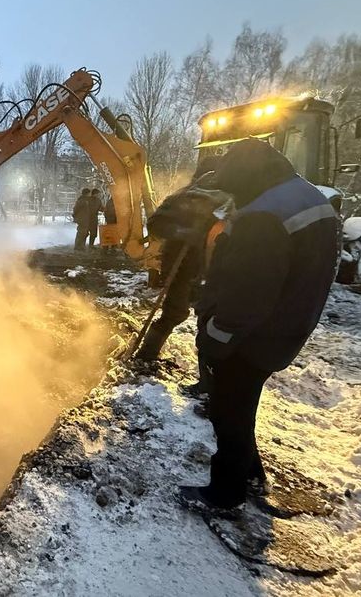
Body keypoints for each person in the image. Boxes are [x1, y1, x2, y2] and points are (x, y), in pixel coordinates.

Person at [178, 138, 339, 514]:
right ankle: (251, 474)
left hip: (254, 335)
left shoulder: (263, 218)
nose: (232, 200)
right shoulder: (305, 195)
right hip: (290, 320)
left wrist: (215, 338)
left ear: (245, 178)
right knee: (242, 404)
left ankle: (226, 495)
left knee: (228, 410)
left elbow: (248, 293)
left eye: (232, 190)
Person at [135, 157, 227, 364]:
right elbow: (156, 223)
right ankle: (147, 353)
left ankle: (208, 368)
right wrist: (183, 232)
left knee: (211, 319)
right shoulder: (182, 197)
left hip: (213, 270)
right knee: (175, 313)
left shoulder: (230, 201)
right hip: (182, 266)